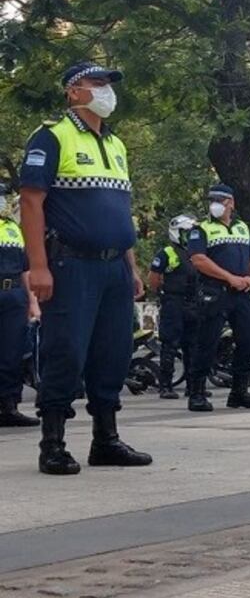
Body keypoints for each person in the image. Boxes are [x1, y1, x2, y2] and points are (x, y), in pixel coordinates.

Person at [19, 60, 151, 474]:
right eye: (97, 82)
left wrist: (131, 266)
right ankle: (53, 443)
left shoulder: (116, 144)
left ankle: (106, 440)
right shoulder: (51, 136)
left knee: (113, 352)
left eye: (109, 83)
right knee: (66, 351)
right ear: (73, 91)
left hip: (114, 266)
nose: (106, 90)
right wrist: (38, 267)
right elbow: (31, 202)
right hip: (71, 263)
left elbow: (119, 212)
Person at [185, 183, 250, 412]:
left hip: (242, 292)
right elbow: (198, 259)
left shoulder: (243, 228)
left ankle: (239, 391)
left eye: (220, 200)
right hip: (215, 291)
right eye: (212, 200)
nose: (215, 205)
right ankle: (197, 393)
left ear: (231, 203)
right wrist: (229, 278)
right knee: (207, 342)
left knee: (249, 340)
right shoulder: (201, 229)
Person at [0, 183, 40, 427]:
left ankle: (8, 406)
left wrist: (32, 302)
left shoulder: (13, 228)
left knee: (12, 353)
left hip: (14, 293)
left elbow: (25, 269)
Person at [148, 214, 199, 400]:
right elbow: (153, 278)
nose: (190, 236)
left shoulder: (197, 254)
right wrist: (164, 294)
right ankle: (166, 386)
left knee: (193, 346)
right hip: (174, 303)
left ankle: (193, 387)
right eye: (187, 233)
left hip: (193, 303)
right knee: (170, 344)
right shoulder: (167, 253)